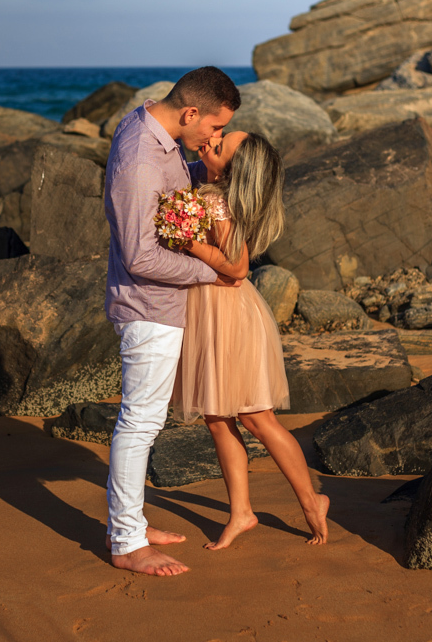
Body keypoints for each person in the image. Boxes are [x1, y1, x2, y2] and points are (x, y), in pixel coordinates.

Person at [103, 65, 243, 577]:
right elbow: (141, 257)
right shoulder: (142, 158)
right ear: (190, 112)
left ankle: (133, 523)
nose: (214, 137)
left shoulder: (156, 136)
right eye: (212, 127)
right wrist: (214, 271)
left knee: (146, 421)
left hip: (161, 305)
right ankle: (126, 542)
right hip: (148, 308)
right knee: (138, 423)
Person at [174, 130, 330, 549]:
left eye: (219, 146)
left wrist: (189, 244)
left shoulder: (216, 202)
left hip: (229, 317)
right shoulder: (208, 192)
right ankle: (242, 512)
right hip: (217, 314)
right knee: (219, 416)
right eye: (216, 136)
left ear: (233, 172)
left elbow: (238, 267)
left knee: (256, 418)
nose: (210, 141)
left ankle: (312, 500)